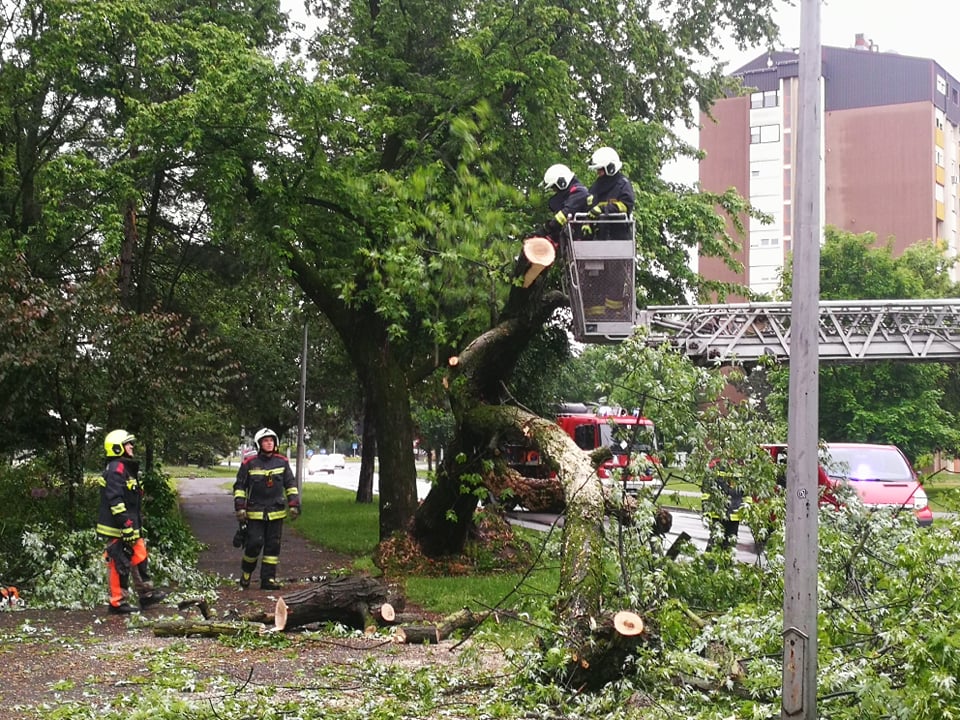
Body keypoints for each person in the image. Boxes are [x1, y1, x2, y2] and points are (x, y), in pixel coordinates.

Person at [97, 429, 167, 614]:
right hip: (117, 528)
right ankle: (117, 603)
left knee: (139, 557)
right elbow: (115, 500)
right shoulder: (116, 469)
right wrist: (125, 525)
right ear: (118, 448)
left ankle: (146, 595)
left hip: (130, 525)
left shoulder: (126, 468)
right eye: (128, 444)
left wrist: (133, 524)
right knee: (119, 564)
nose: (131, 446)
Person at [233, 427, 300, 590]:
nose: (269, 443)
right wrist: (240, 508)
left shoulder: (282, 462)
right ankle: (247, 572)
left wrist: (293, 504)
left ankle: (268, 579)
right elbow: (240, 487)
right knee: (254, 544)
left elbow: (290, 484)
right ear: (259, 444)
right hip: (255, 512)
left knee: (273, 546)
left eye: (271, 440)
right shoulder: (249, 464)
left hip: (276, 512)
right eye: (265, 441)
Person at [583, 146, 635, 240]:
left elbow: (626, 206)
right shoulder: (596, 186)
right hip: (598, 237)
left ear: (610, 168)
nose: (598, 172)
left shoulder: (623, 184)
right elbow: (590, 208)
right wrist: (587, 223)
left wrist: (603, 208)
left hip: (618, 237)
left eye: (600, 169)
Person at [540, 163, 588, 248]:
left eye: (554, 187)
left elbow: (566, 213)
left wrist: (547, 228)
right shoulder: (570, 195)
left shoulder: (579, 192)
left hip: (582, 238)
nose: (554, 190)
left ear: (562, 183)